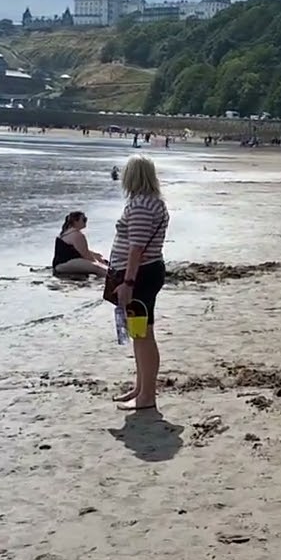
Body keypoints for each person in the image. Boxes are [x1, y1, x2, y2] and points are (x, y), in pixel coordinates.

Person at [108, 155, 170, 412]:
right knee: (140, 332)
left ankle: (147, 396)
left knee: (142, 334)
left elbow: (136, 249)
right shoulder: (149, 202)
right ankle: (141, 387)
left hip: (140, 275)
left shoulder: (143, 205)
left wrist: (128, 282)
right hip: (145, 272)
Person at [52, 211, 108, 277]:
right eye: (84, 220)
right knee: (99, 268)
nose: (86, 222)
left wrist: (96, 255)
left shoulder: (66, 232)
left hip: (61, 264)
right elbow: (86, 255)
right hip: (65, 264)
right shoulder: (77, 235)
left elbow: (80, 249)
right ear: (76, 221)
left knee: (98, 258)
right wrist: (100, 263)